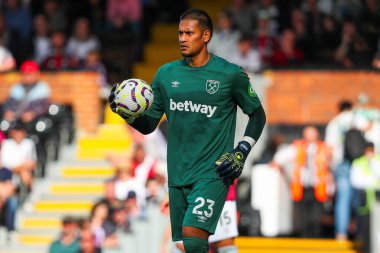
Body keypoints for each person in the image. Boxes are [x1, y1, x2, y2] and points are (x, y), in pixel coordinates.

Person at [109, 8, 266, 253]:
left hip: (214, 172)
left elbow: (258, 114)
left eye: (189, 33)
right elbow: (149, 125)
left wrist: (242, 150)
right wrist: (126, 113)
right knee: (182, 245)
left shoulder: (230, 74)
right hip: (179, 175)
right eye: (180, 33)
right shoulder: (166, 74)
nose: (182, 38)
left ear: (206, 36)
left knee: (196, 239)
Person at [271, 126, 332, 238]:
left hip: (317, 187)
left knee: (316, 217)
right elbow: (281, 156)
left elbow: (330, 165)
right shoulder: (298, 147)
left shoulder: (323, 148)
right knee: (303, 217)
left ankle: (315, 239)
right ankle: (304, 238)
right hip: (302, 187)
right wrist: (276, 163)